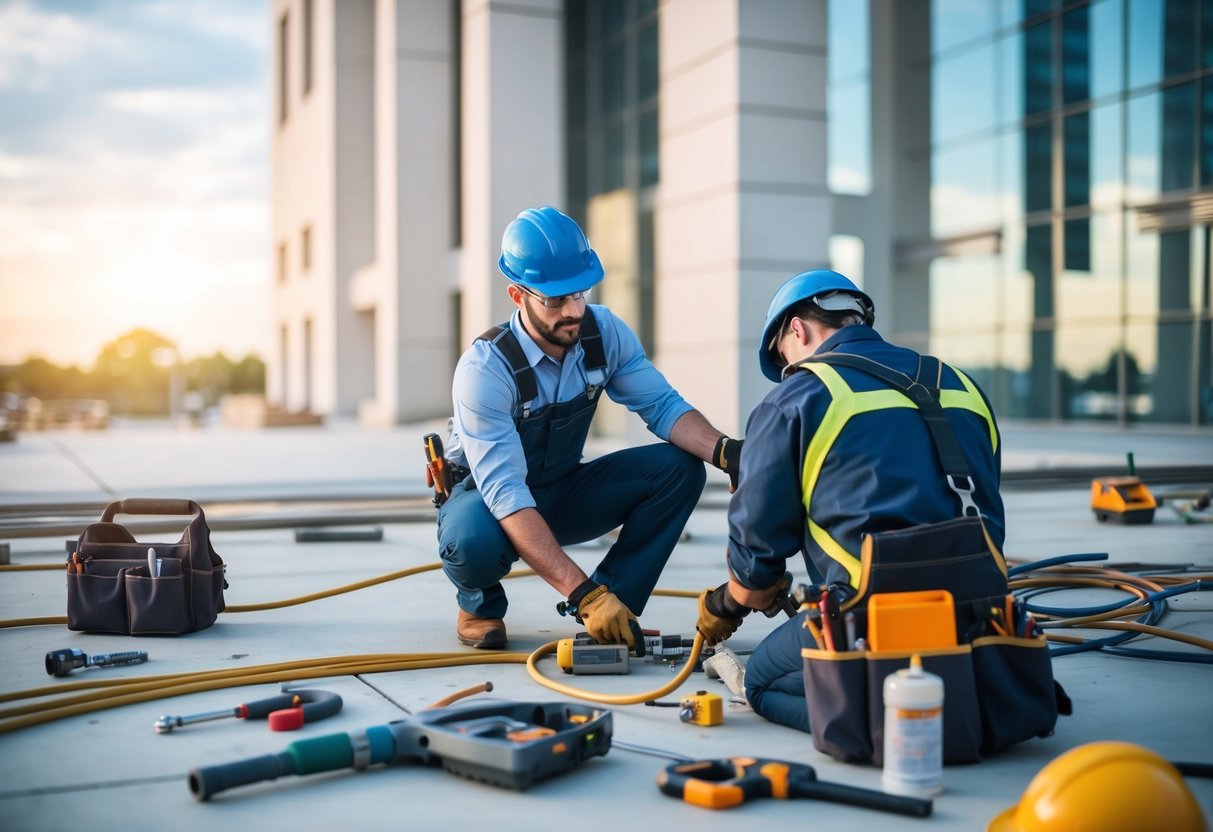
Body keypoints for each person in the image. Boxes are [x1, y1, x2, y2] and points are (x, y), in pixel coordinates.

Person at [695, 269, 1005, 732]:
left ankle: (897, 718)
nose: (786, 374)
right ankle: (964, 692)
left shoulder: (797, 397)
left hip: (870, 621)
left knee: (760, 680)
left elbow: (756, 574)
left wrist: (723, 607)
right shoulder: (962, 384)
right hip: (982, 614)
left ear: (796, 330)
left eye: (784, 360)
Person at [438, 205, 743, 650]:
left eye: (579, 293)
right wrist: (582, 594)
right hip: (488, 504)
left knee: (680, 468)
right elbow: (505, 491)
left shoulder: (604, 334)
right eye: (555, 299)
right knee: (470, 543)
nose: (572, 310)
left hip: (562, 490)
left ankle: (615, 599)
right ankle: (479, 603)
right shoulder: (484, 370)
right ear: (518, 295)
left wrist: (727, 452)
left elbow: (661, 405)